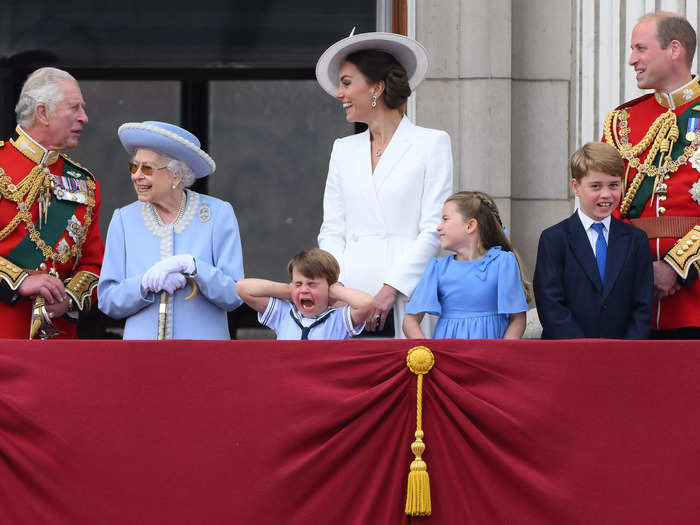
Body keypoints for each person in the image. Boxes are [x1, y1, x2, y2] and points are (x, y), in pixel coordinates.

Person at [315, 30, 453, 338]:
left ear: (377, 87)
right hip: (347, 302)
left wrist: (392, 288)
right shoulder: (343, 149)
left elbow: (433, 228)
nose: (339, 93)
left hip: (406, 297)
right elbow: (332, 229)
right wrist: (337, 288)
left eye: (347, 83)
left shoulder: (431, 143)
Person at [97, 121, 244, 339]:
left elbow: (234, 295)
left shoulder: (217, 214)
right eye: (133, 167)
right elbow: (108, 300)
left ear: (176, 175)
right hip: (142, 356)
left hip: (203, 356)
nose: (136, 175)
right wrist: (144, 284)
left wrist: (194, 268)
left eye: (147, 168)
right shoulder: (123, 220)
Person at [603, 12, 700, 338]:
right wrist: (638, 271)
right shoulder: (621, 122)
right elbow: (604, 204)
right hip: (632, 300)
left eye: (640, 49)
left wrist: (676, 266)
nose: (632, 60)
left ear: (674, 49)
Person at [0, 67, 104, 339]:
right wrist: (20, 281)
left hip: (59, 341)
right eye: (75, 108)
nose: (84, 117)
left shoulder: (84, 182)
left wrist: (69, 298)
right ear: (42, 113)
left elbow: (96, 265)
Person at [534, 142, 654, 339]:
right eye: (596, 186)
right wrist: (584, 351)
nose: (606, 194)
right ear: (576, 187)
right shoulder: (554, 239)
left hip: (623, 356)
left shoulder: (636, 240)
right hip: (568, 354)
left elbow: (643, 304)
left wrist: (629, 349)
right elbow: (550, 303)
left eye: (614, 185)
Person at [402, 192, 530, 339]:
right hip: (448, 357)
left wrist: (502, 355)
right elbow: (410, 320)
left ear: (470, 226)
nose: (438, 227)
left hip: (489, 357)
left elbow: (518, 319)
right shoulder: (437, 268)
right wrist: (426, 353)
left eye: (445, 219)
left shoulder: (502, 262)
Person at [236, 248, 372, 340]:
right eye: (298, 283)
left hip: (323, 382)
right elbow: (242, 288)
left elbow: (368, 304)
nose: (304, 290)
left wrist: (336, 291)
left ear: (329, 288)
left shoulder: (338, 319)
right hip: (287, 382)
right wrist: (289, 291)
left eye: (312, 284)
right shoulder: (283, 314)